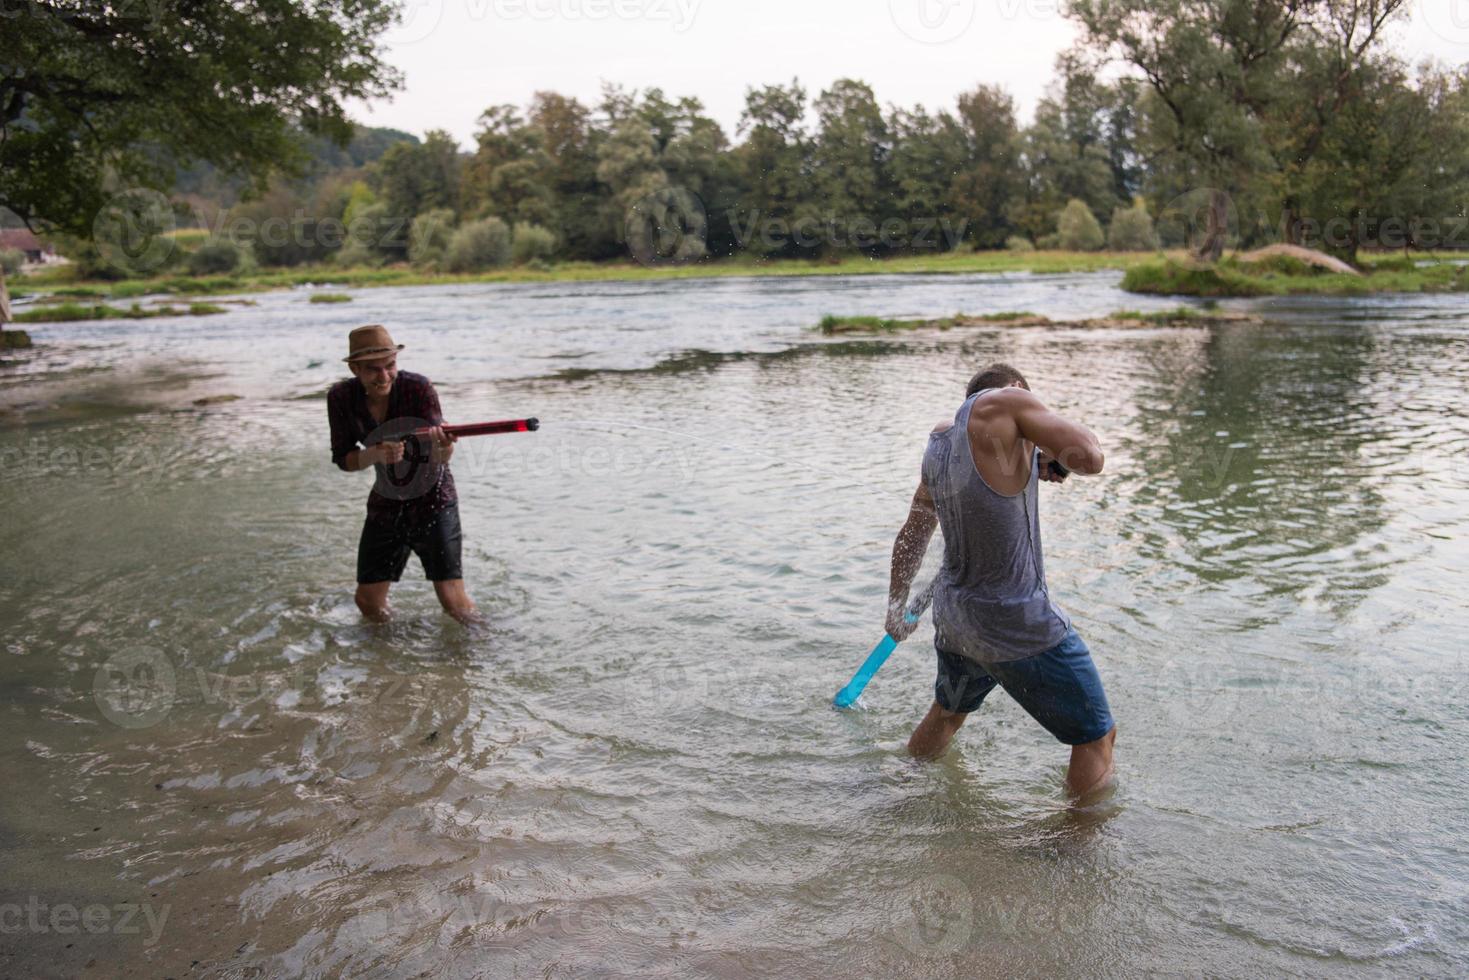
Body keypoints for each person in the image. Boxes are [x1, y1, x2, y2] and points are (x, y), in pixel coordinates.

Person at [884, 362, 1116, 800]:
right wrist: (1044, 436)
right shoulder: (1007, 399)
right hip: (1017, 624)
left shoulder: (939, 442)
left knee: (948, 715)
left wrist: (896, 608)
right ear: (1015, 393)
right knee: (1096, 737)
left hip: (958, 625)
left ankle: (896, 792)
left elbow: (912, 534)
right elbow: (1090, 457)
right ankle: (1077, 850)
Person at [327, 324, 479, 625]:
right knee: (367, 601)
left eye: (390, 366)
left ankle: (483, 647)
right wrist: (374, 454)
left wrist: (445, 447)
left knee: (452, 602)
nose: (384, 376)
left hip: (434, 499)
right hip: (386, 501)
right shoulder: (340, 397)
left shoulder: (418, 388)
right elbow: (343, 459)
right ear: (355, 368)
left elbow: (441, 455)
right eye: (373, 370)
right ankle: (389, 653)